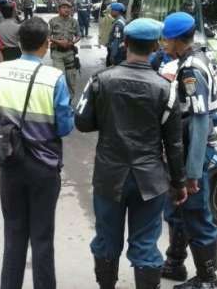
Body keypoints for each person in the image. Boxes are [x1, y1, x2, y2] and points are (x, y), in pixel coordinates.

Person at [76, 18, 187, 289]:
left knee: (106, 240)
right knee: (146, 244)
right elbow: (174, 143)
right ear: (155, 46)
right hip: (150, 179)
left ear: (125, 43)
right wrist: (179, 183)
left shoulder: (101, 80)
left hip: (108, 176)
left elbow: (82, 122)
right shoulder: (166, 89)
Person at [0, 17, 74, 289]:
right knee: (42, 238)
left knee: (14, 234)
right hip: (44, 167)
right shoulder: (54, 78)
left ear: (19, 42)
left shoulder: (0, 72)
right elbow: (65, 127)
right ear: (46, 45)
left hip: (10, 163)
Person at [161, 12, 217, 289]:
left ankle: (208, 279)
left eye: (165, 38)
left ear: (175, 39)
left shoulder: (191, 70)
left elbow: (198, 120)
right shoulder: (192, 59)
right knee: (177, 211)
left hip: (192, 151)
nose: (162, 43)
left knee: (196, 215)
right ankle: (175, 262)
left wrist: (193, 172)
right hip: (183, 148)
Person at [49, 1, 81, 100]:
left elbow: (79, 35)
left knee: (71, 80)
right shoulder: (52, 21)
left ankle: (69, 102)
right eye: (64, 7)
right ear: (58, 9)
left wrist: (73, 42)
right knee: (59, 79)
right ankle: (60, 102)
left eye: (69, 8)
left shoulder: (74, 21)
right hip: (57, 54)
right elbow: (48, 36)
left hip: (70, 54)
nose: (67, 9)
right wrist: (58, 42)